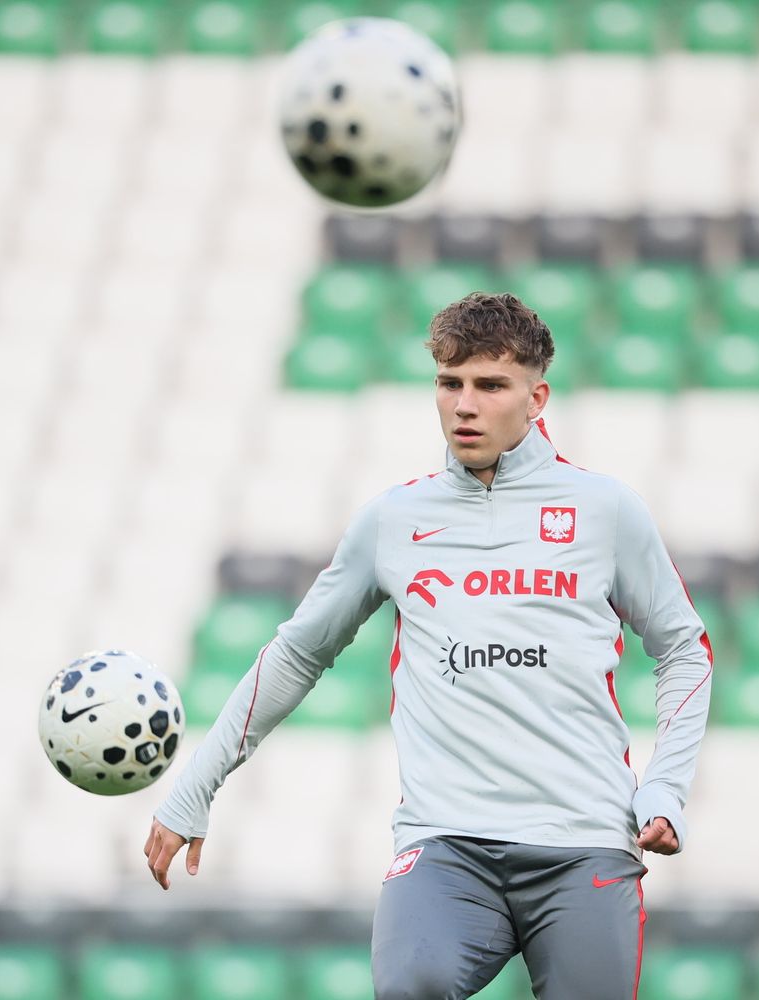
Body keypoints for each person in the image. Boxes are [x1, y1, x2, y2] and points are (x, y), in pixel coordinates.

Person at [143, 292, 713, 999]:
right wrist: (195, 786)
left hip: (583, 841)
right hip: (447, 845)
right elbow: (296, 654)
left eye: (490, 385)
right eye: (450, 383)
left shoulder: (606, 510)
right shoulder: (394, 520)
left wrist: (664, 786)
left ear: (536, 398)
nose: (464, 406)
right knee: (410, 985)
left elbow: (684, 648)